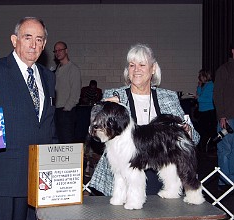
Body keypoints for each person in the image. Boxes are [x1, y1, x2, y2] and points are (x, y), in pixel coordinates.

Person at [0, 17, 57, 220]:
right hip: (5, 175)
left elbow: (48, 124)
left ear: (44, 45)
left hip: (39, 177)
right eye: (28, 37)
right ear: (14, 40)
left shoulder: (48, 76)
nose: (33, 45)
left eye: (39, 39)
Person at [88, 43, 200, 196]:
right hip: (123, 177)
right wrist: (104, 109)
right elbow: (96, 133)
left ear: (153, 68)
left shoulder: (168, 97)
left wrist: (186, 130)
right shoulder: (114, 97)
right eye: (132, 65)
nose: (136, 70)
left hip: (161, 174)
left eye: (142, 64)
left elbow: (195, 137)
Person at [213, 44, 234, 188]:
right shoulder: (224, 69)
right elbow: (217, 94)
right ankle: (224, 181)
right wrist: (222, 115)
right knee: (225, 150)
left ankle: (231, 181)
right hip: (227, 117)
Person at [53, 41, 81, 143]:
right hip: (56, 111)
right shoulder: (57, 70)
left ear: (66, 51)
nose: (58, 52)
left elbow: (75, 93)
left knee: (67, 142)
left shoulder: (73, 69)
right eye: (55, 51)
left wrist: (66, 109)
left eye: (60, 50)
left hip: (66, 112)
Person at [195, 69, 216, 151]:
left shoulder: (210, 85)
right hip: (203, 110)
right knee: (202, 130)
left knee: (209, 130)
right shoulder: (205, 85)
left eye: (200, 76)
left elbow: (210, 99)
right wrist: (199, 87)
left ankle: (212, 146)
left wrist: (198, 98)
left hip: (208, 110)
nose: (199, 78)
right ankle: (203, 146)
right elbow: (199, 94)